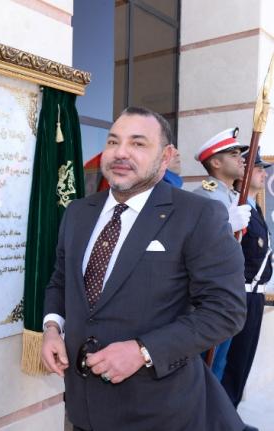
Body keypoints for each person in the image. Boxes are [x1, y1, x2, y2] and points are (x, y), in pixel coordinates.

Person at [41, 107, 247, 431]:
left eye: (138, 143)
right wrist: (52, 328)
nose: (120, 152)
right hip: (82, 409)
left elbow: (226, 310)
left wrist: (143, 351)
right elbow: (61, 280)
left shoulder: (197, 215)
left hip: (159, 411)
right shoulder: (78, 212)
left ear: (166, 157)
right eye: (113, 141)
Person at [192, 128, 252, 380]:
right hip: (210, 295)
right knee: (203, 370)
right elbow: (195, 245)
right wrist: (226, 224)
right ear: (216, 163)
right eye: (234, 154)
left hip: (229, 291)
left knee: (218, 366)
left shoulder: (232, 196)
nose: (242, 160)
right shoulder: (204, 196)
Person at [221, 150, 272, 409]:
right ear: (244, 174)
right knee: (231, 362)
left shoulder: (255, 207)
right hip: (239, 294)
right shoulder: (235, 207)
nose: (264, 173)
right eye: (258, 168)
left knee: (243, 362)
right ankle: (222, 416)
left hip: (255, 295)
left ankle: (230, 413)